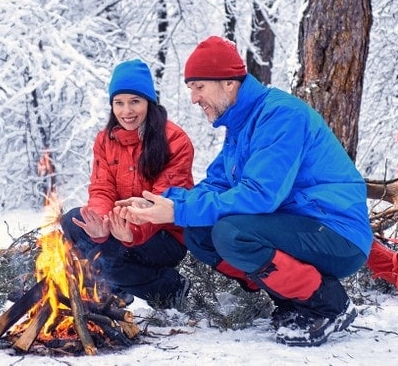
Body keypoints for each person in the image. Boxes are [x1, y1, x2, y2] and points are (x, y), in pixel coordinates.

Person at [116, 36, 372, 347]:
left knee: (232, 233)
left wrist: (177, 210)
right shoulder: (240, 125)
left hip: (337, 234)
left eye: (199, 87)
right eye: (191, 88)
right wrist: (165, 200)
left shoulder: (279, 115)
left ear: (228, 83)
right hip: (301, 229)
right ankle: (293, 300)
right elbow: (217, 184)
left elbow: (260, 195)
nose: (194, 98)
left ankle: (329, 304)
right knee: (199, 232)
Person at [60, 59, 194, 309]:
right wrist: (100, 223)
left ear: (149, 103)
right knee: (72, 221)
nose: (126, 111)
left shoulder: (175, 140)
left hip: (164, 235)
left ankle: (170, 288)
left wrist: (132, 231)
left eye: (135, 101)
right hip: (119, 225)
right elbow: (102, 188)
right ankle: (118, 285)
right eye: (119, 103)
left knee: (108, 257)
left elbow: (163, 200)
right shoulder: (105, 140)